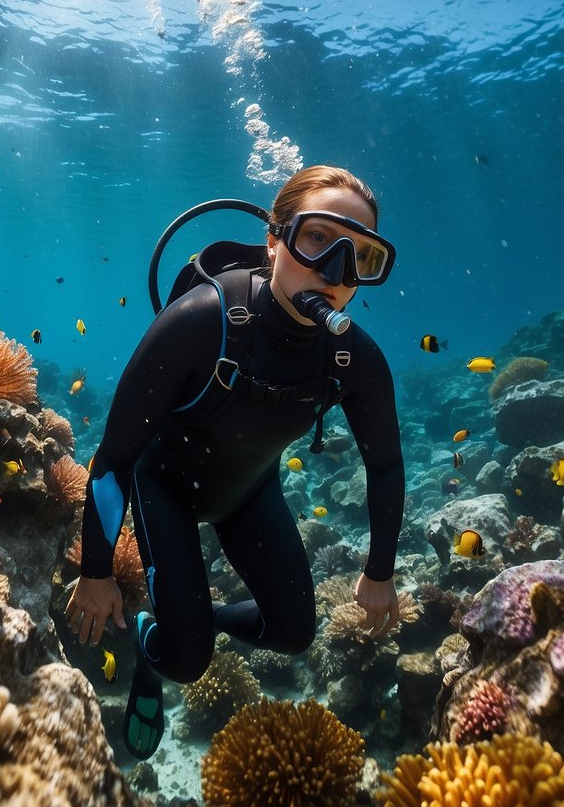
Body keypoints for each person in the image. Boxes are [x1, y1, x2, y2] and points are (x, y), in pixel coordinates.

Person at [65, 165, 406, 760]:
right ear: (274, 241)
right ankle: (159, 643)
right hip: (164, 487)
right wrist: (96, 570)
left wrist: (380, 571)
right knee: (187, 661)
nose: (332, 272)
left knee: (296, 633)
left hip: (247, 492)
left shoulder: (353, 357)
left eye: (360, 257)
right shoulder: (201, 322)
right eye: (317, 239)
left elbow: (385, 465)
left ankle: (194, 616)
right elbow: (116, 458)